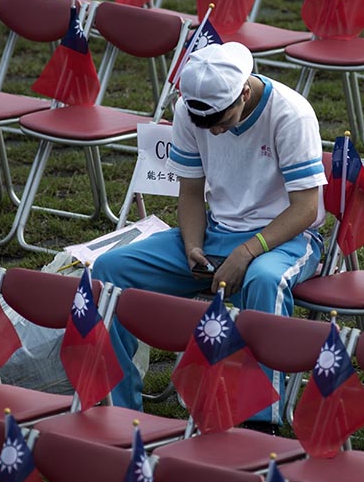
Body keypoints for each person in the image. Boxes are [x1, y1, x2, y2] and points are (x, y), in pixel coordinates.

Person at [92, 41, 326, 427]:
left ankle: (257, 423)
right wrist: (192, 245)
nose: (215, 131)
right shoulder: (190, 109)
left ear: (244, 93)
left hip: (286, 239)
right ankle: (118, 412)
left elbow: (306, 209)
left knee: (265, 280)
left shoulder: (291, 113)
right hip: (216, 232)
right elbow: (190, 191)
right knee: (109, 269)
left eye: (222, 120)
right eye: (206, 124)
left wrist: (246, 253)